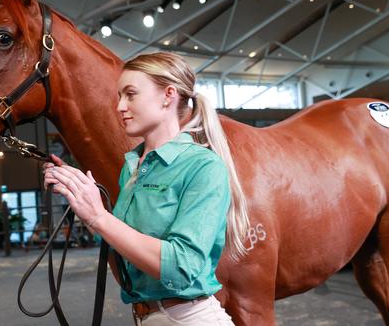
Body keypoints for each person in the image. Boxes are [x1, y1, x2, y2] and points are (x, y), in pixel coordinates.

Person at [44, 52, 249, 325]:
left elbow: (181, 266)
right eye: (119, 96)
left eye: (130, 94)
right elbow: (124, 245)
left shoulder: (203, 166)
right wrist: (81, 198)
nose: (119, 106)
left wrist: (99, 217)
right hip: (146, 317)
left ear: (168, 95)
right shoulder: (132, 168)